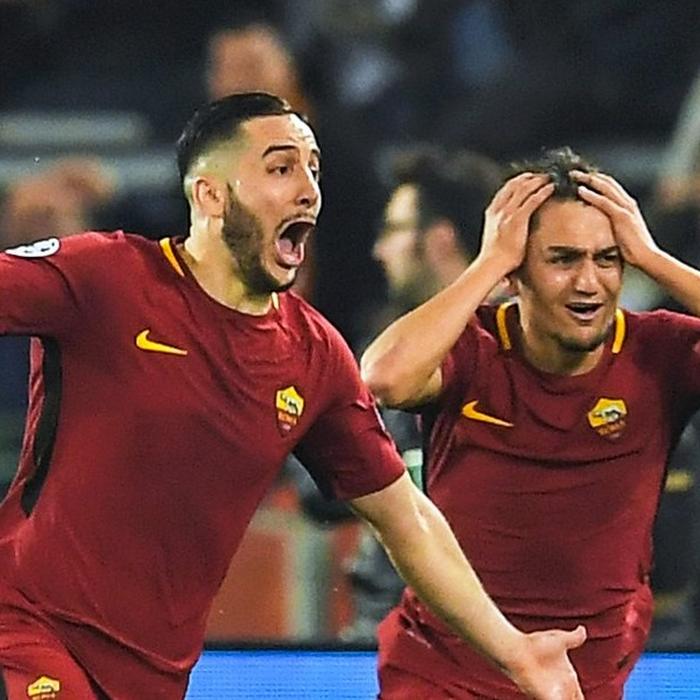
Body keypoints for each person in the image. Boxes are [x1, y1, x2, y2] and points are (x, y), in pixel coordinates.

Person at [0, 93, 585, 699]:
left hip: (152, 677)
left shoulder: (313, 356)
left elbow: (404, 516)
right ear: (211, 196)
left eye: (313, 169)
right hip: (27, 628)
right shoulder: (107, 275)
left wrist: (513, 648)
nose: (309, 190)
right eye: (281, 168)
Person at [361, 145, 700, 698]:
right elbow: (383, 378)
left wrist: (653, 257)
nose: (588, 282)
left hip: (582, 679)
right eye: (563, 260)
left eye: (607, 259)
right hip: (447, 672)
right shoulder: (476, 345)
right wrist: (488, 264)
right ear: (517, 272)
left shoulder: (657, 352)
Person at [297, 145, 504, 642]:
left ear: (438, 240)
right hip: (388, 631)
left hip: (474, 635)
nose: (379, 250)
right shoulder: (383, 353)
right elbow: (313, 488)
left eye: (393, 230)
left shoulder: (520, 351)